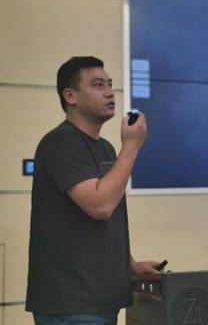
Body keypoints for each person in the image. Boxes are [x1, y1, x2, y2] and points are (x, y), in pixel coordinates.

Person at [26, 56, 161, 325]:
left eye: (110, 84)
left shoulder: (106, 148)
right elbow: (100, 206)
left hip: (102, 300)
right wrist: (131, 146)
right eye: (98, 85)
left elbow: (103, 223)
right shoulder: (60, 143)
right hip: (72, 304)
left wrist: (130, 266)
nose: (110, 92)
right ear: (71, 96)